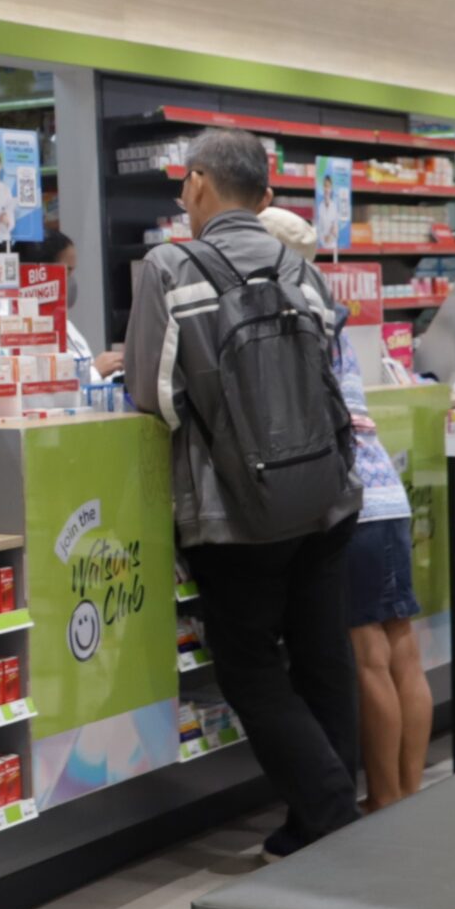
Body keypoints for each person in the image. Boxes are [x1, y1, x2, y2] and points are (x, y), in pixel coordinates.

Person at [125, 127, 363, 856]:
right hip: (326, 494)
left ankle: (328, 815)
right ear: (262, 192)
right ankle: (320, 816)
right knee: (324, 653)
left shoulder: (170, 267)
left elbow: (154, 396)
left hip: (236, 509)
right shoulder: (301, 268)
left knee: (252, 665)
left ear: (197, 181)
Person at [261, 208, 431, 810]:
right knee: (402, 646)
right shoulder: (329, 316)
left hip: (352, 498)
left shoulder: (286, 319)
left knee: (368, 656)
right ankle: (409, 787)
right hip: (388, 492)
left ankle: (384, 798)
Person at [15, 231, 122, 380]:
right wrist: (96, 372)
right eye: (67, 271)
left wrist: (115, 374)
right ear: (41, 274)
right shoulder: (21, 331)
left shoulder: (66, 326)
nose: (71, 281)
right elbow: (50, 388)